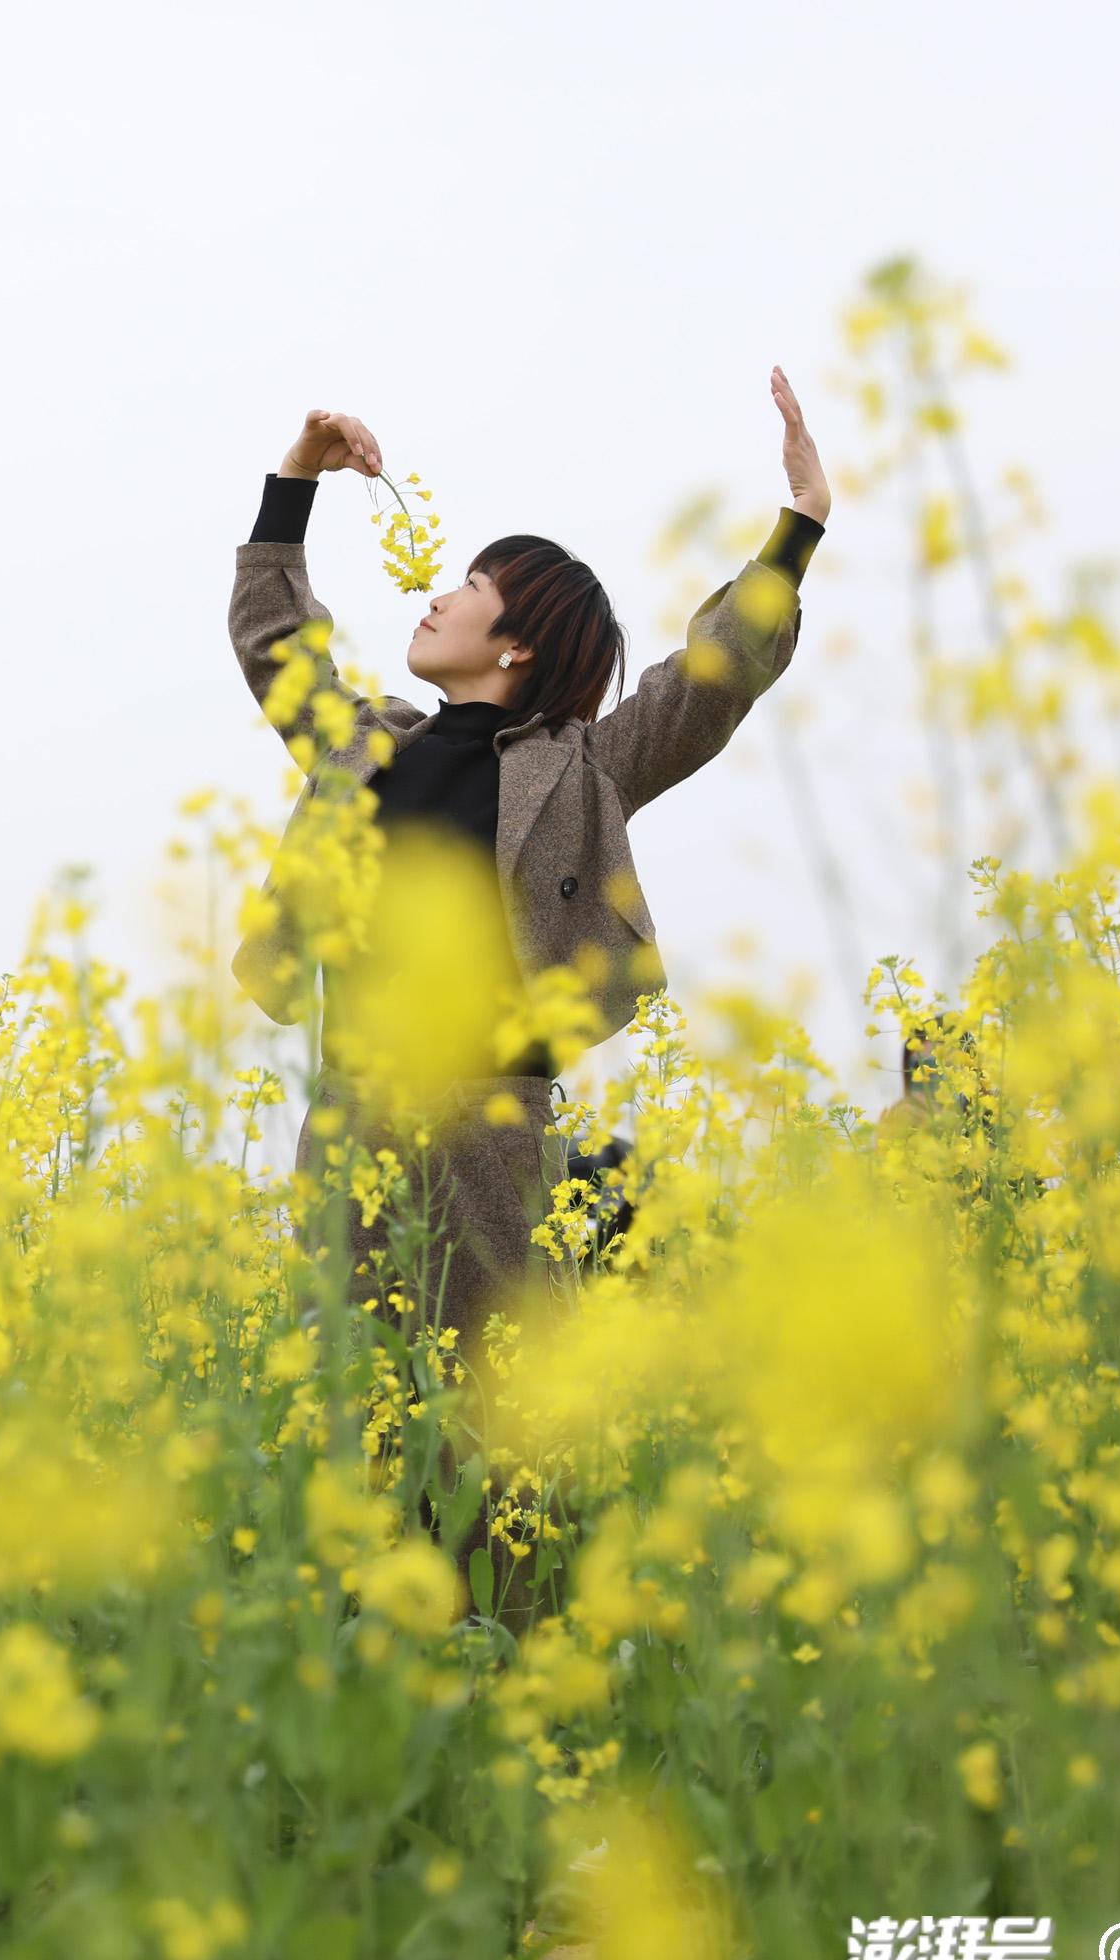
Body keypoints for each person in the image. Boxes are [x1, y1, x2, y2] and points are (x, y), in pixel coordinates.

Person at [230, 372, 833, 1357]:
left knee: (488, 1447)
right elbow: (275, 642)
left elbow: (710, 683)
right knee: (346, 1442)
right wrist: (297, 474)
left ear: (515, 648)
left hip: (491, 1138)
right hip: (349, 1123)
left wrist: (799, 527)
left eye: (468, 588)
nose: (435, 597)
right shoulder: (367, 746)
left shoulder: (583, 768)